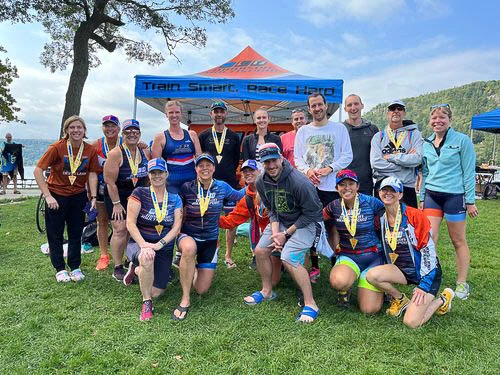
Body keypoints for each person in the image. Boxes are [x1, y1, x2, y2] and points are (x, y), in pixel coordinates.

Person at [245, 143, 323, 323]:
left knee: (288, 257)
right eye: (266, 162)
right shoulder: (261, 181)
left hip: (306, 223)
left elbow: (313, 214)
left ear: (281, 158)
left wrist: (285, 235)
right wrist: (275, 234)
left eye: (274, 160)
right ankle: (267, 291)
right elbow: (271, 210)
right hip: (281, 224)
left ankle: (310, 303)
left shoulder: (299, 182)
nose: (271, 166)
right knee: (260, 250)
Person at [366, 177, 455, 328]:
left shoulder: (415, 216)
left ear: (400, 194)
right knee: (372, 276)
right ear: (379, 193)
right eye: (384, 190)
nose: (388, 193)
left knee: (411, 322)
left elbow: (428, 252)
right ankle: (400, 299)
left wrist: (424, 285)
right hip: (402, 269)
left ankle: (443, 299)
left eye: (392, 190)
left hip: (426, 272)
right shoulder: (380, 217)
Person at [173, 153, 245, 320]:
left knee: (201, 289)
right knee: (189, 249)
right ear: (196, 168)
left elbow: (240, 195)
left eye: (208, 165)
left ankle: (191, 267)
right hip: (188, 236)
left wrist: (254, 184)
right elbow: (176, 208)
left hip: (211, 240)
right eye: (201, 165)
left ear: (213, 168)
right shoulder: (187, 187)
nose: (205, 168)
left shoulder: (222, 187)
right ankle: (185, 298)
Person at [420, 104, 478, 300]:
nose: (438, 121)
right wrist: (421, 196)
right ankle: (430, 277)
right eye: (434, 118)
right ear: (430, 121)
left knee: (458, 240)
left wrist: (470, 201)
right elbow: (424, 172)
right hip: (432, 196)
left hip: (454, 196)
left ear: (450, 120)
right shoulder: (426, 143)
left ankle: (462, 283)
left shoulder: (462, 141)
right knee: (430, 238)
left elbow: (469, 172)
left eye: (442, 117)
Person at [295, 93, 353, 281]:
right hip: (310, 187)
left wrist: (330, 168)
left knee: (333, 227)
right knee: (312, 225)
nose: (317, 108)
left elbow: (347, 155)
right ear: (309, 109)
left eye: (320, 104)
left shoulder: (339, 129)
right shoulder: (303, 131)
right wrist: (308, 171)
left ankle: (336, 264)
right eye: (313, 106)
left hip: (332, 188)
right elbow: (298, 159)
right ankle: (315, 266)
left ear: (326, 106)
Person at [34, 115, 99, 282]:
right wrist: (48, 196)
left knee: (76, 233)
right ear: (66, 130)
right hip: (56, 196)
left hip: (78, 197)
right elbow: (37, 170)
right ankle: (60, 268)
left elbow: (92, 174)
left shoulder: (90, 150)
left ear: (84, 130)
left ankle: (75, 266)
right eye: (72, 127)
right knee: (55, 234)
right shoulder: (57, 147)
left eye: (79, 127)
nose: (76, 130)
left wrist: (93, 196)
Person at [124, 158, 183, 321]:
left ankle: (136, 270)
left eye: (160, 172)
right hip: (139, 242)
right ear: (148, 175)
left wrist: (160, 244)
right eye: (153, 173)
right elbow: (130, 222)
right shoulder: (139, 193)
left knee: (157, 292)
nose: (157, 176)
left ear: (166, 174)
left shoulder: (175, 197)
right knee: (146, 257)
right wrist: (144, 245)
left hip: (163, 246)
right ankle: (146, 303)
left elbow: (176, 227)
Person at [322, 169, 385, 312]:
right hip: (348, 256)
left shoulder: (371, 202)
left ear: (357, 186)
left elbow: (391, 214)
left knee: (369, 310)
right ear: (336, 188)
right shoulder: (334, 206)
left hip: (373, 256)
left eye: (351, 183)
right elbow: (317, 217)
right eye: (342, 184)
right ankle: (344, 291)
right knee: (338, 281)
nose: (347, 188)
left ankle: (380, 285)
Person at [218, 160, 281, 282]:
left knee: (290, 262)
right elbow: (230, 221)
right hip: (268, 236)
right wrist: (211, 216)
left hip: (285, 230)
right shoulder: (248, 197)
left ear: (260, 171)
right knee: (273, 281)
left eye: (251, 170)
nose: (248, 173)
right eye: (245, 171)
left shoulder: (274, 187)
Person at [103, 119, 150, 281]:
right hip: (117, 195)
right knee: (120, 229)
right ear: (122, 134)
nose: (132, 134)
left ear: (139, 134)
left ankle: (130, 259)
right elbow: (109, 181)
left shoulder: (144, 151)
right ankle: (117, 267)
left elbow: (148, 176)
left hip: (137, 196)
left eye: (135, 131)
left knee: (134, 229)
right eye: (128, 131)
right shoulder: (116, 153)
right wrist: (116, 204)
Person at [198, 101, 241, 269]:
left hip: (229, 185)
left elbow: (236, 159)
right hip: (209, 185)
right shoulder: (203, 136)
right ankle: (210, 252)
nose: (218, 114)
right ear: (211, 114)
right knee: (209, 220)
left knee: (231, 222)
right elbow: (201, 160)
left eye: (221, 111)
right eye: (215, 111)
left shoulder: (234, 136)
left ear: (226, 114)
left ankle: (228, 255)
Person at [370, 100, 422, 208]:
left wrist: (392, 157)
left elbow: (417, 159)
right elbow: (375, 163)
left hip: (406, 186)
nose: (396, 111)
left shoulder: (414, 134)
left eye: (400, 108)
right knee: (382, 222)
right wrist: (404, 164)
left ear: (404, 113)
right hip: (383, 186)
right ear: (387, 113)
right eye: (392, 109)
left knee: (409, 223)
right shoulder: (378, 137)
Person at [151, 100, 201, 194]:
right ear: (166, 115)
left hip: (192, 181)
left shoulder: (192, 135)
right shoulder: (160, 137)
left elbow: (200, 159)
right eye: (171, 112)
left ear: (181, 114)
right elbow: (155, 165)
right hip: (171, 183)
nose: (174, 115)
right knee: (176, 209)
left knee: (192, 209)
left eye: (177, 112)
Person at [92, 115, 122, 271]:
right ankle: (104, 255)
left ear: (118, 128)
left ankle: (124, 254)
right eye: (106, 126)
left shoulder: (125, 142)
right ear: (102, 128)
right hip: (101, 187)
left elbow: (140, 151)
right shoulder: (95, 145)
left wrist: (144, 146)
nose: (110, 129)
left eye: (113, 126)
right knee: (102, 221)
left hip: (120, 188)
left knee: (123, 222)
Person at [342, 94, 379, 195]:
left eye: (356, 104)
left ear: (362, 105)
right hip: (345, 183)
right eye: (349, 105)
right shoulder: (340, 129)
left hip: (365, 184)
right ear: (345, 109)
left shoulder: (373, 129)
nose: (353, 108)